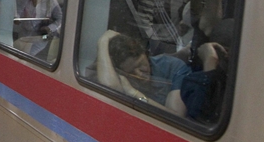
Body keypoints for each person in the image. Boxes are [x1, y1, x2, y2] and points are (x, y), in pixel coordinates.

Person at [96, 30, 225, 118]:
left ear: (146, 54)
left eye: (141, 65)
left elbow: (176, 116)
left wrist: (134, 93)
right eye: (131, 72)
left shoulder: (171, 67)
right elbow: (109, 87)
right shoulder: (118, 75)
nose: (139, 74)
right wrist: (103, 42)